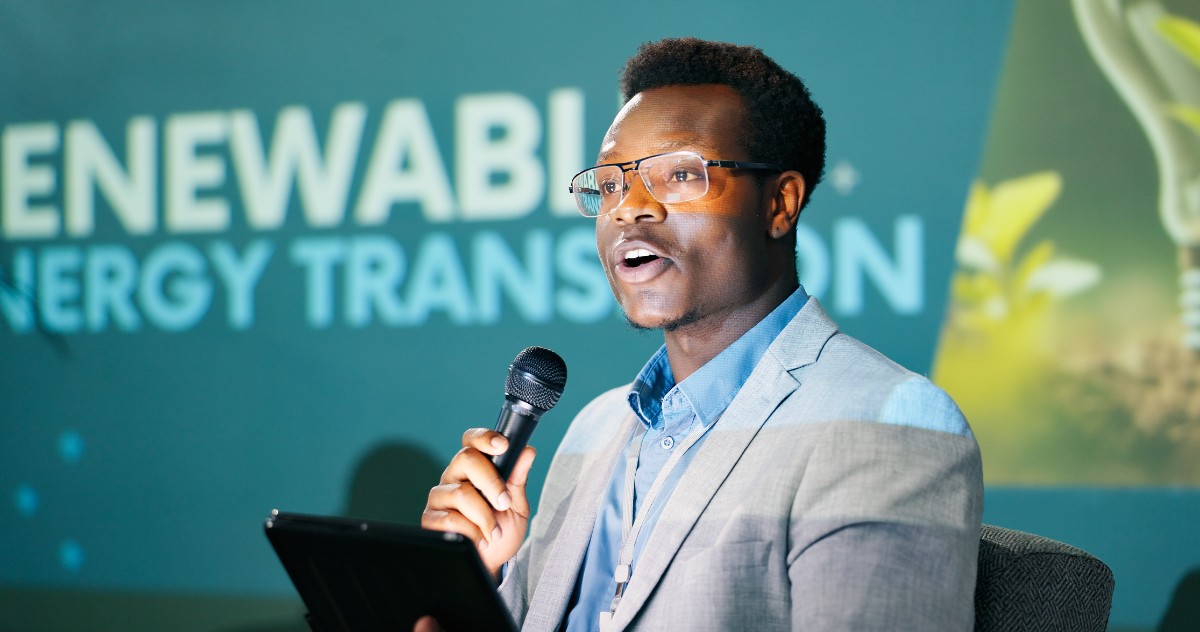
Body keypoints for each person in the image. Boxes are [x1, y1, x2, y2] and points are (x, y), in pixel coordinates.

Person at [421, 37, 982, 631]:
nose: (628, 209)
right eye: (610, 185)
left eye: (679, 175)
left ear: (780, 204)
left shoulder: (885, 423)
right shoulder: (594, 430)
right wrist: (473, 581)